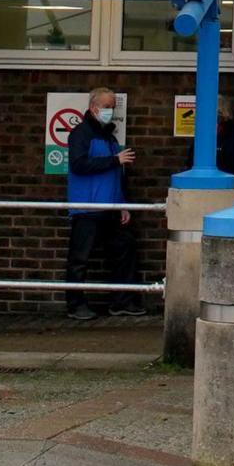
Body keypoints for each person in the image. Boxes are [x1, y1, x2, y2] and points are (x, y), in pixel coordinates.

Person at [63, 87, 145, 321]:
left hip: (109, 207)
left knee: (124, 248)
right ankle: (75, 304)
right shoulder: (81, 134)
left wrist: (122, 204)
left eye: (113, 107)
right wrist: (114, 159)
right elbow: (79, 165)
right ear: (94, 108)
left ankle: (122, 300)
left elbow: (116, 175)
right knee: (80, 258)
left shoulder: (108, 137)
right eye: (107, 107)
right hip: (87, 207)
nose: (111, 111)